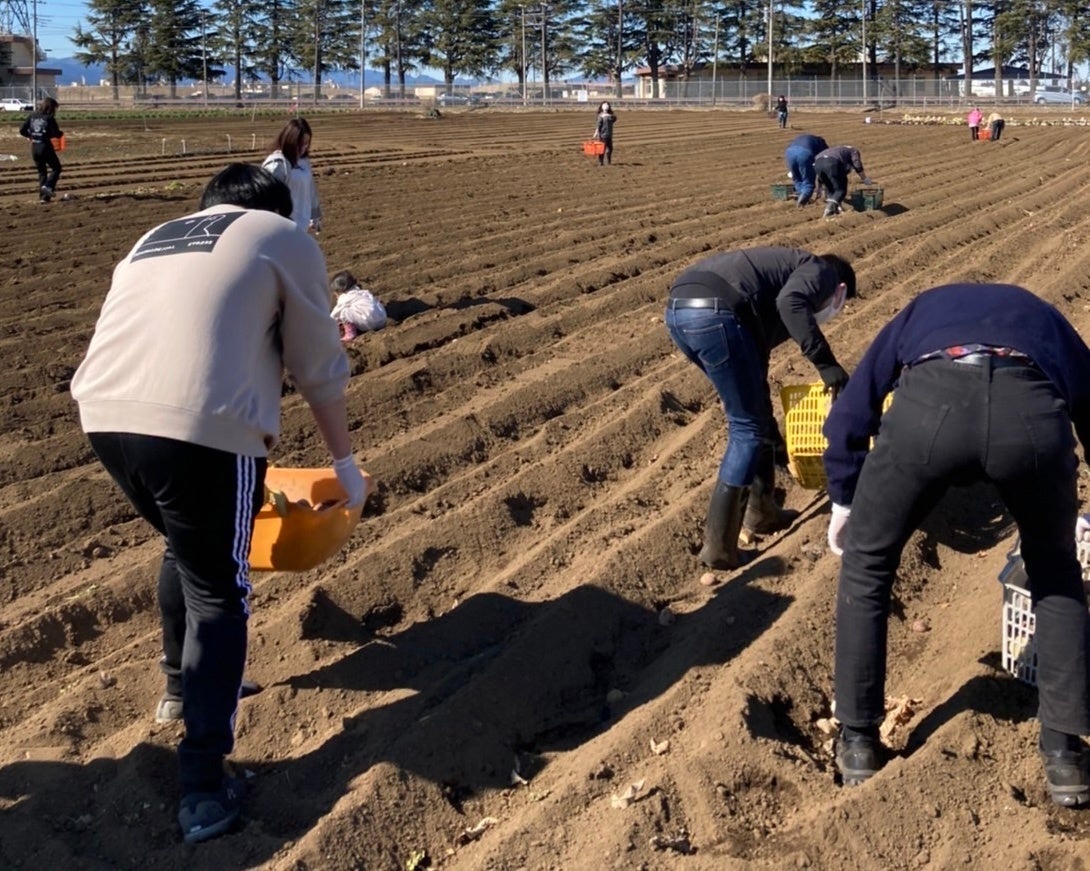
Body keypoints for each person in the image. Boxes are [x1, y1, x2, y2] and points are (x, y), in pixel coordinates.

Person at [70, 163, 369, 843]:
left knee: (187, 548)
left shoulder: (158, 236)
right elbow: (318, 361)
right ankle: (203, 785)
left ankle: (180, 689)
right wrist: (345, 466)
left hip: (105, 412)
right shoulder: (284, 235)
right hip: (204, 423)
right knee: (220, 593)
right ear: (279, 206)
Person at [822, 282, 1090, 807]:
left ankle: (857, 741)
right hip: (1030, 418)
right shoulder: (1045, 318)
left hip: (930, 411)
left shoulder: (919, 310)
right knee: (1055, 571)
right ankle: (1064, 755)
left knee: (868, 563)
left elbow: (854, 410)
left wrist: (844, 497)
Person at [665, 247, 857, 570]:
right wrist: (827, 364)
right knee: (747, 430)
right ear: (840, 292)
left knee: (756, 415)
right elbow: (790, 303)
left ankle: (762, 512)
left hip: (680, 311)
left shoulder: (778, 278)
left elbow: (757, 350)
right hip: (715, 313)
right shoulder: (822, 270)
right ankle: (719, 550)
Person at [262, 118, 323, 233]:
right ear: (289, 140)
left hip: (301, 225)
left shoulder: (304, 162)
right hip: (283, 228)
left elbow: (310, 189)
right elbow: (268, 200)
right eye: (299, 144)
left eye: (306, 144)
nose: (303, 148)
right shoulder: (277, 164)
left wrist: (315, 215)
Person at [19, 96, 63, 203]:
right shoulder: (49, 118)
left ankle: (44, 198)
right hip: (45, 147)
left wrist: (30, 136)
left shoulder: (32, 115)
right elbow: (55, 133)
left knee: (42, 172)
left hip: (34, 148)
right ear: (51, 108)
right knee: (56, 168)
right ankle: (48, 186)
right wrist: (61, 134)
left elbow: (22, 130)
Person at [813, 145, 873, 218]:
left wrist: (819, 188)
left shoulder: (836, 150)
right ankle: (828, 210)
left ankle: (837, 210)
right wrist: (864, 179)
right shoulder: (854, 151)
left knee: (831, 190)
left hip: (817, 164)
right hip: (832, 163)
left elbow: (820, 175)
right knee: (840, 190)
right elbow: (857, 165)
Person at [329, 269, 388, 341]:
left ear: (339, 291)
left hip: (369, 322)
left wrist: (329, 321)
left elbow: (336, 312)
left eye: (335, 294)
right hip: (382, 319)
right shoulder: (363, 292)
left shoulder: (344, 297)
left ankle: (350, 333)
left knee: (344, 312)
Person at [784, 132, 829, 207]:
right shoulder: (822, 144)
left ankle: (801, 195)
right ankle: (800, 204)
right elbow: (825, 159)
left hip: (789, 152)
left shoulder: (807, 138)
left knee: (797, 179)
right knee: (808, 183)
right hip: (805, 154)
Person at [592, 101, 617, 166]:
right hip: (604, 135)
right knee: (604, 149)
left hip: (607, 135)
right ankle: (602, 162)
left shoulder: (608, 116)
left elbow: (614, 118)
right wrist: (596, 132)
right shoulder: (603, 117)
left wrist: (596, 133)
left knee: (608, 148)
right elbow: (598, 125)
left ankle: (607, 161)